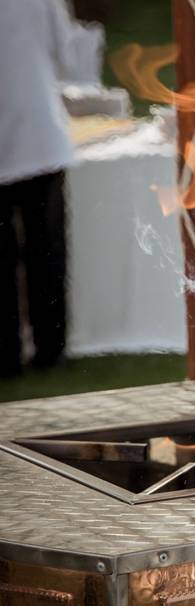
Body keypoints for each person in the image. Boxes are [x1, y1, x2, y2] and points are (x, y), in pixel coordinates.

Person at [0, 0, 77, 376]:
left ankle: (8, 354)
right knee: (47, 250)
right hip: (40, 134)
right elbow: (65, 53)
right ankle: (51, 348)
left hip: (34, 137)